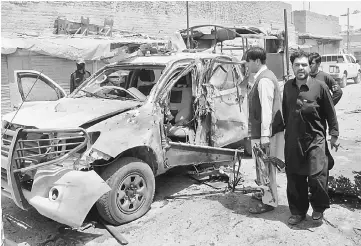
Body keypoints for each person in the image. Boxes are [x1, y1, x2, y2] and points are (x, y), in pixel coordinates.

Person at [283, 50, 339, 225]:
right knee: (294, 176)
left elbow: (331, 113)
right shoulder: (287, 87)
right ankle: (298, 211)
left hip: (316, 139)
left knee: (317, 176)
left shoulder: (320, 87)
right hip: (293, 139)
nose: (301, 68)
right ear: (292, 67)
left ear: (310, 66)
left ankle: (318, 208)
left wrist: (334, 135)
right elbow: (285, 112)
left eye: (304, 64)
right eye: (297, 65)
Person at [245, 47, 285, 214]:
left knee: (265, 167)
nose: (247, 65)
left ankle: (269, 201)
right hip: (263, 132)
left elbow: (267, 110)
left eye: (248, 61)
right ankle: (265, 193)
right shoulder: (262, 77)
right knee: (262, 166)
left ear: (256, 61)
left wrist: (264, 136)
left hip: (265, 133)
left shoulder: (264, 80)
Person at [309, 52, 343, 171]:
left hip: (320, 118)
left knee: (320, 142)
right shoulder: (305, 77)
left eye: (311, 63)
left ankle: (326, 163)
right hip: (308, 119)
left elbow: (338, 92)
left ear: (318, 64)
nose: (309, 66)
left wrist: (327, 106)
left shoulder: (324, 77)